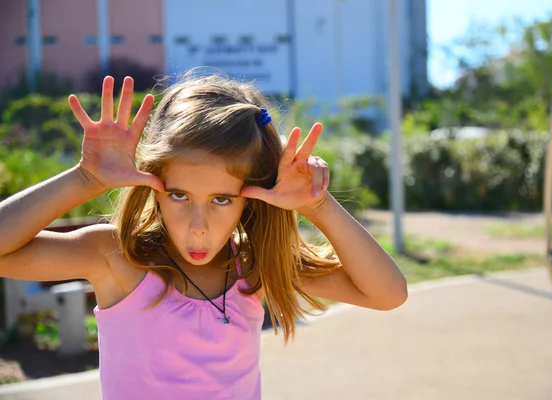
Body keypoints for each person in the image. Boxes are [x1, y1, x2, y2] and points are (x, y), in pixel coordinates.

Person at [0, 72, 408, 399]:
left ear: (251, 197)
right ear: (153, 183)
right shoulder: (115, 258)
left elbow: (387, 294)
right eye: (179, 195)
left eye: (222, 200)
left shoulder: (254, 264)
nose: (198, 224)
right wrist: (85, 177)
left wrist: (318, 205)